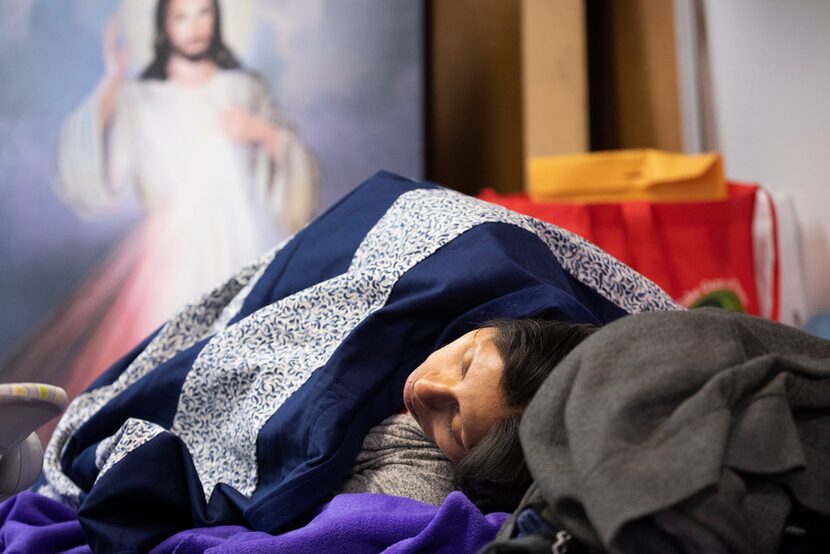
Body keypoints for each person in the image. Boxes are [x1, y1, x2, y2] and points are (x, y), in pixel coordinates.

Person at [4, 0, 319, 408]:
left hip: (243, 242)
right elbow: (102, 175)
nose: (194, 27)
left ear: (217, 19)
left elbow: (285, 167)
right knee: (169, 371)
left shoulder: (241, 89)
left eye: (203, 13)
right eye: (181, 16)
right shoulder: (141, 97)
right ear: (162, 26)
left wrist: (265, 134)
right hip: (172, 254)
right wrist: (114, 82)